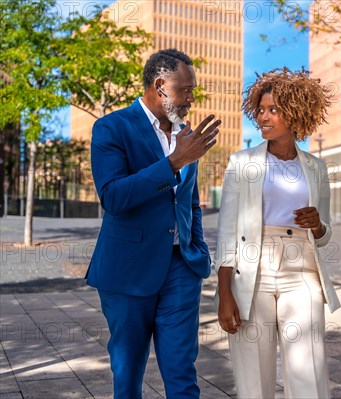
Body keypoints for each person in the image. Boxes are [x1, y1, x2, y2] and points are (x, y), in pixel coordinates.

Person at [86, 49, 221, 398]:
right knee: (128, 375)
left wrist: (198, 251)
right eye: (185, 90)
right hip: (128, 270)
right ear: (160, 86)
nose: (191, 98)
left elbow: (189, 201)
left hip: (181, 268)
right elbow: (113, 197)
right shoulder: (112, 127)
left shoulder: (186, 134)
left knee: (181, 372)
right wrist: (174, 161)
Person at [215, 67, 340, 399]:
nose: (263, 116)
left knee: (308, 368)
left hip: (302, 270)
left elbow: (324, 235)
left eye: (273, 109)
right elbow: (227, 230)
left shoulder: (316, 167)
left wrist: (318, 224)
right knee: (253, 376)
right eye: (261, 109)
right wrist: (224, 293)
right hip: (252, 269)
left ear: (296, 113)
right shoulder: (242, 163)